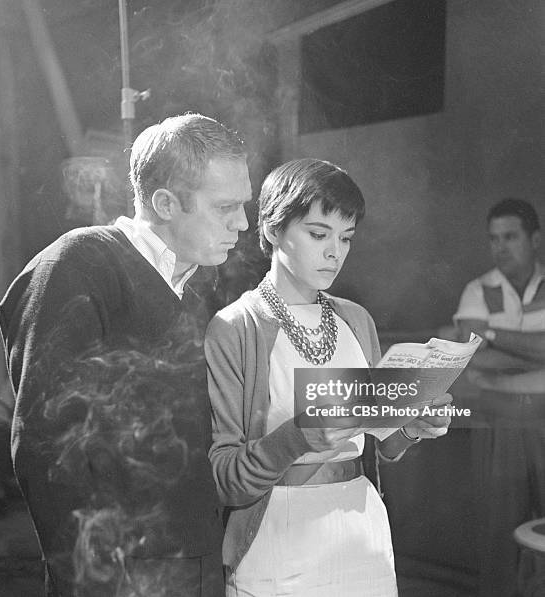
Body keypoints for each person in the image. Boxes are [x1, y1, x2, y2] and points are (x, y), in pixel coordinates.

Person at [0, 113, 252, 597]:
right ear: (165, 202)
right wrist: (95, 580)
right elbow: (47, 447)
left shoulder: (194, 293)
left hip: (192, 562)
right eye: (226, 207)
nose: (242, 223)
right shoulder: (77, 267)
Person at [205, 158, 452, 597]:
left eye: (346, 237)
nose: (334, 251)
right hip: (277, 532)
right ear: (273, 229)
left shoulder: (355, 319)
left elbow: (381, 440)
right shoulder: (235, 328)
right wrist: (299, 436)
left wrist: (412, 428)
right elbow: (225, 477)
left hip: (360, 527)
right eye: (318, 234)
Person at [453, 197, 545, 596]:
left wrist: (491, 334)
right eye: (494, 239)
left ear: (535, 239)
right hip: (499, 422)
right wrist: (532, 350)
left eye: (511, 237)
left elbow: (484, 345)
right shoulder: (479, 289)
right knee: (499, 530)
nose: (501, 247)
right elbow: (473, 353)